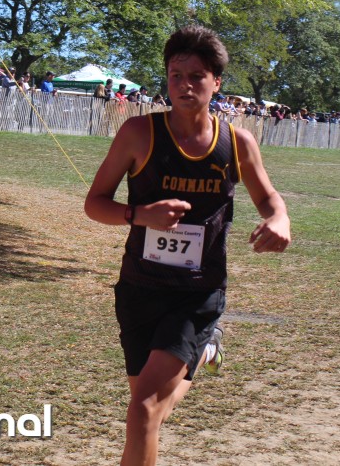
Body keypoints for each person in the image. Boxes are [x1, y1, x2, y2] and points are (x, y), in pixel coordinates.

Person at [84, 24, 291, 465]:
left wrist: (279, 218)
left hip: (197, 292)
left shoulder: (236, 142)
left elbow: (268, 197)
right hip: (139, 288)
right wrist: (140, 214)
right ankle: (206, 349)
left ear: (216, 82)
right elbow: (94, 203)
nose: (184, 85)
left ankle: (202, 341)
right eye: (175, 75)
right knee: (149, 407)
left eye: (196, 76)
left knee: (143, 411)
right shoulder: (139, 133)